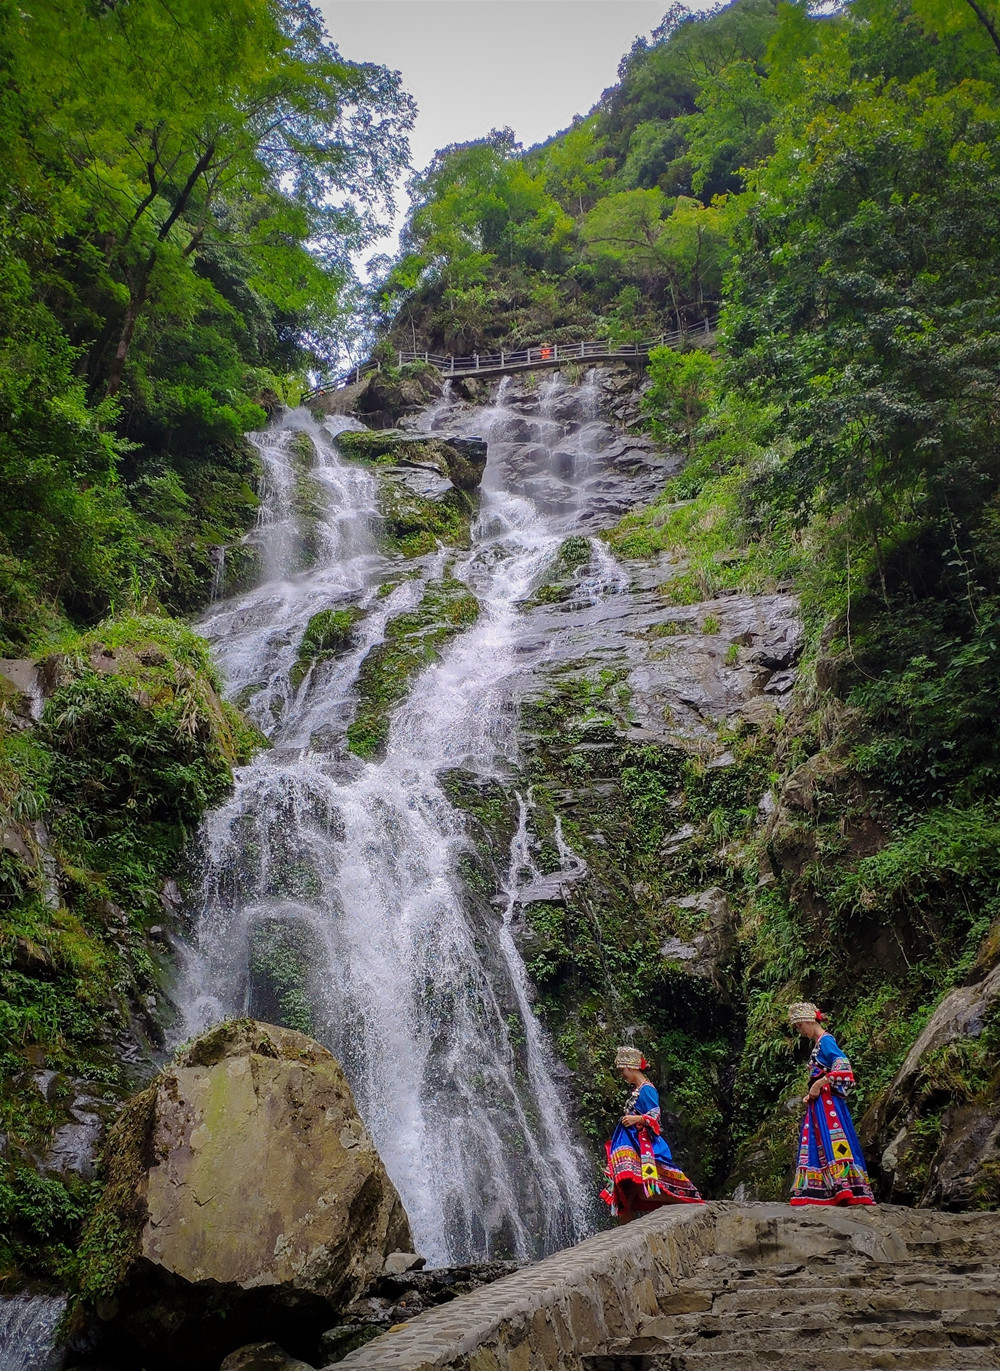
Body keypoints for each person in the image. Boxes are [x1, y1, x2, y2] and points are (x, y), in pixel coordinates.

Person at [600, 1046, 703, 1221]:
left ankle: (687, 1202)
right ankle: (626, 1228)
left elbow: (655, 1116)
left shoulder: (647, 1089)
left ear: (632, 1067)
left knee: (642, 1187)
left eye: (622, 1070)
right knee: (627, 1188)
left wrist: (636, 1120)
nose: (622, 1075)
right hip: (631, 1141)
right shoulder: (639, 1089)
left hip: (642, 1143)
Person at [788, 1002, 876, 1207]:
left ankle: (842, 1188)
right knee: (822, 1142)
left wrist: (819, 1083)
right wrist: (811, 1093)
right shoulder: (819, 1043)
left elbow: (843, 1065)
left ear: (809, 1021)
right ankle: (833, 1189)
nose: (800, 1032)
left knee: (832, 1140)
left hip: (828, 1104)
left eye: (800, 1026)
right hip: (821, 1103)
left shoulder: (826, 1041)